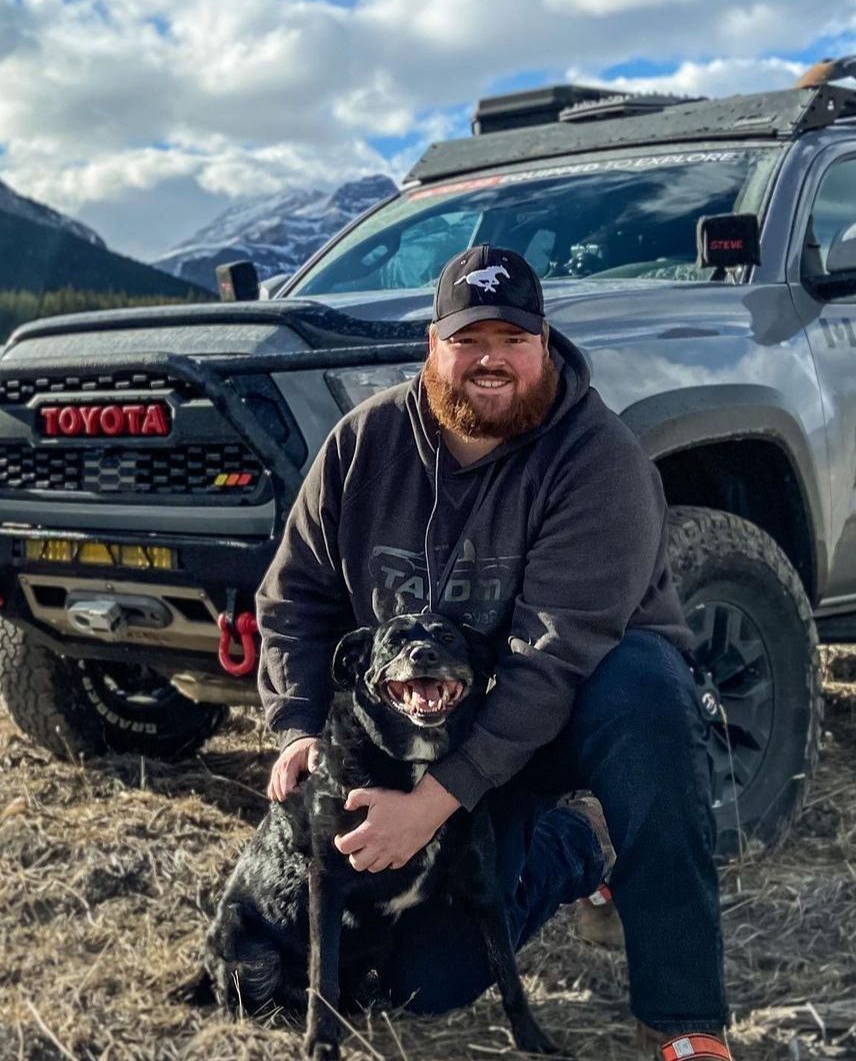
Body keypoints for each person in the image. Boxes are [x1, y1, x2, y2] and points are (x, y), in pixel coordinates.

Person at [255, 244, 731, 1060]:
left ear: (545, 346)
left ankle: (685, 1020)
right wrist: (298, 724)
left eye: (513, 339)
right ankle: (577, 845)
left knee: (647, 692)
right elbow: (294, 597)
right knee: (427, 983)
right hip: (439, 728)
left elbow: (551, 659)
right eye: (469, 339)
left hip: (575, 711)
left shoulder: (597, 458)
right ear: (430, 347)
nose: (491, 361)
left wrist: (432, 805)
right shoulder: (361, 445)